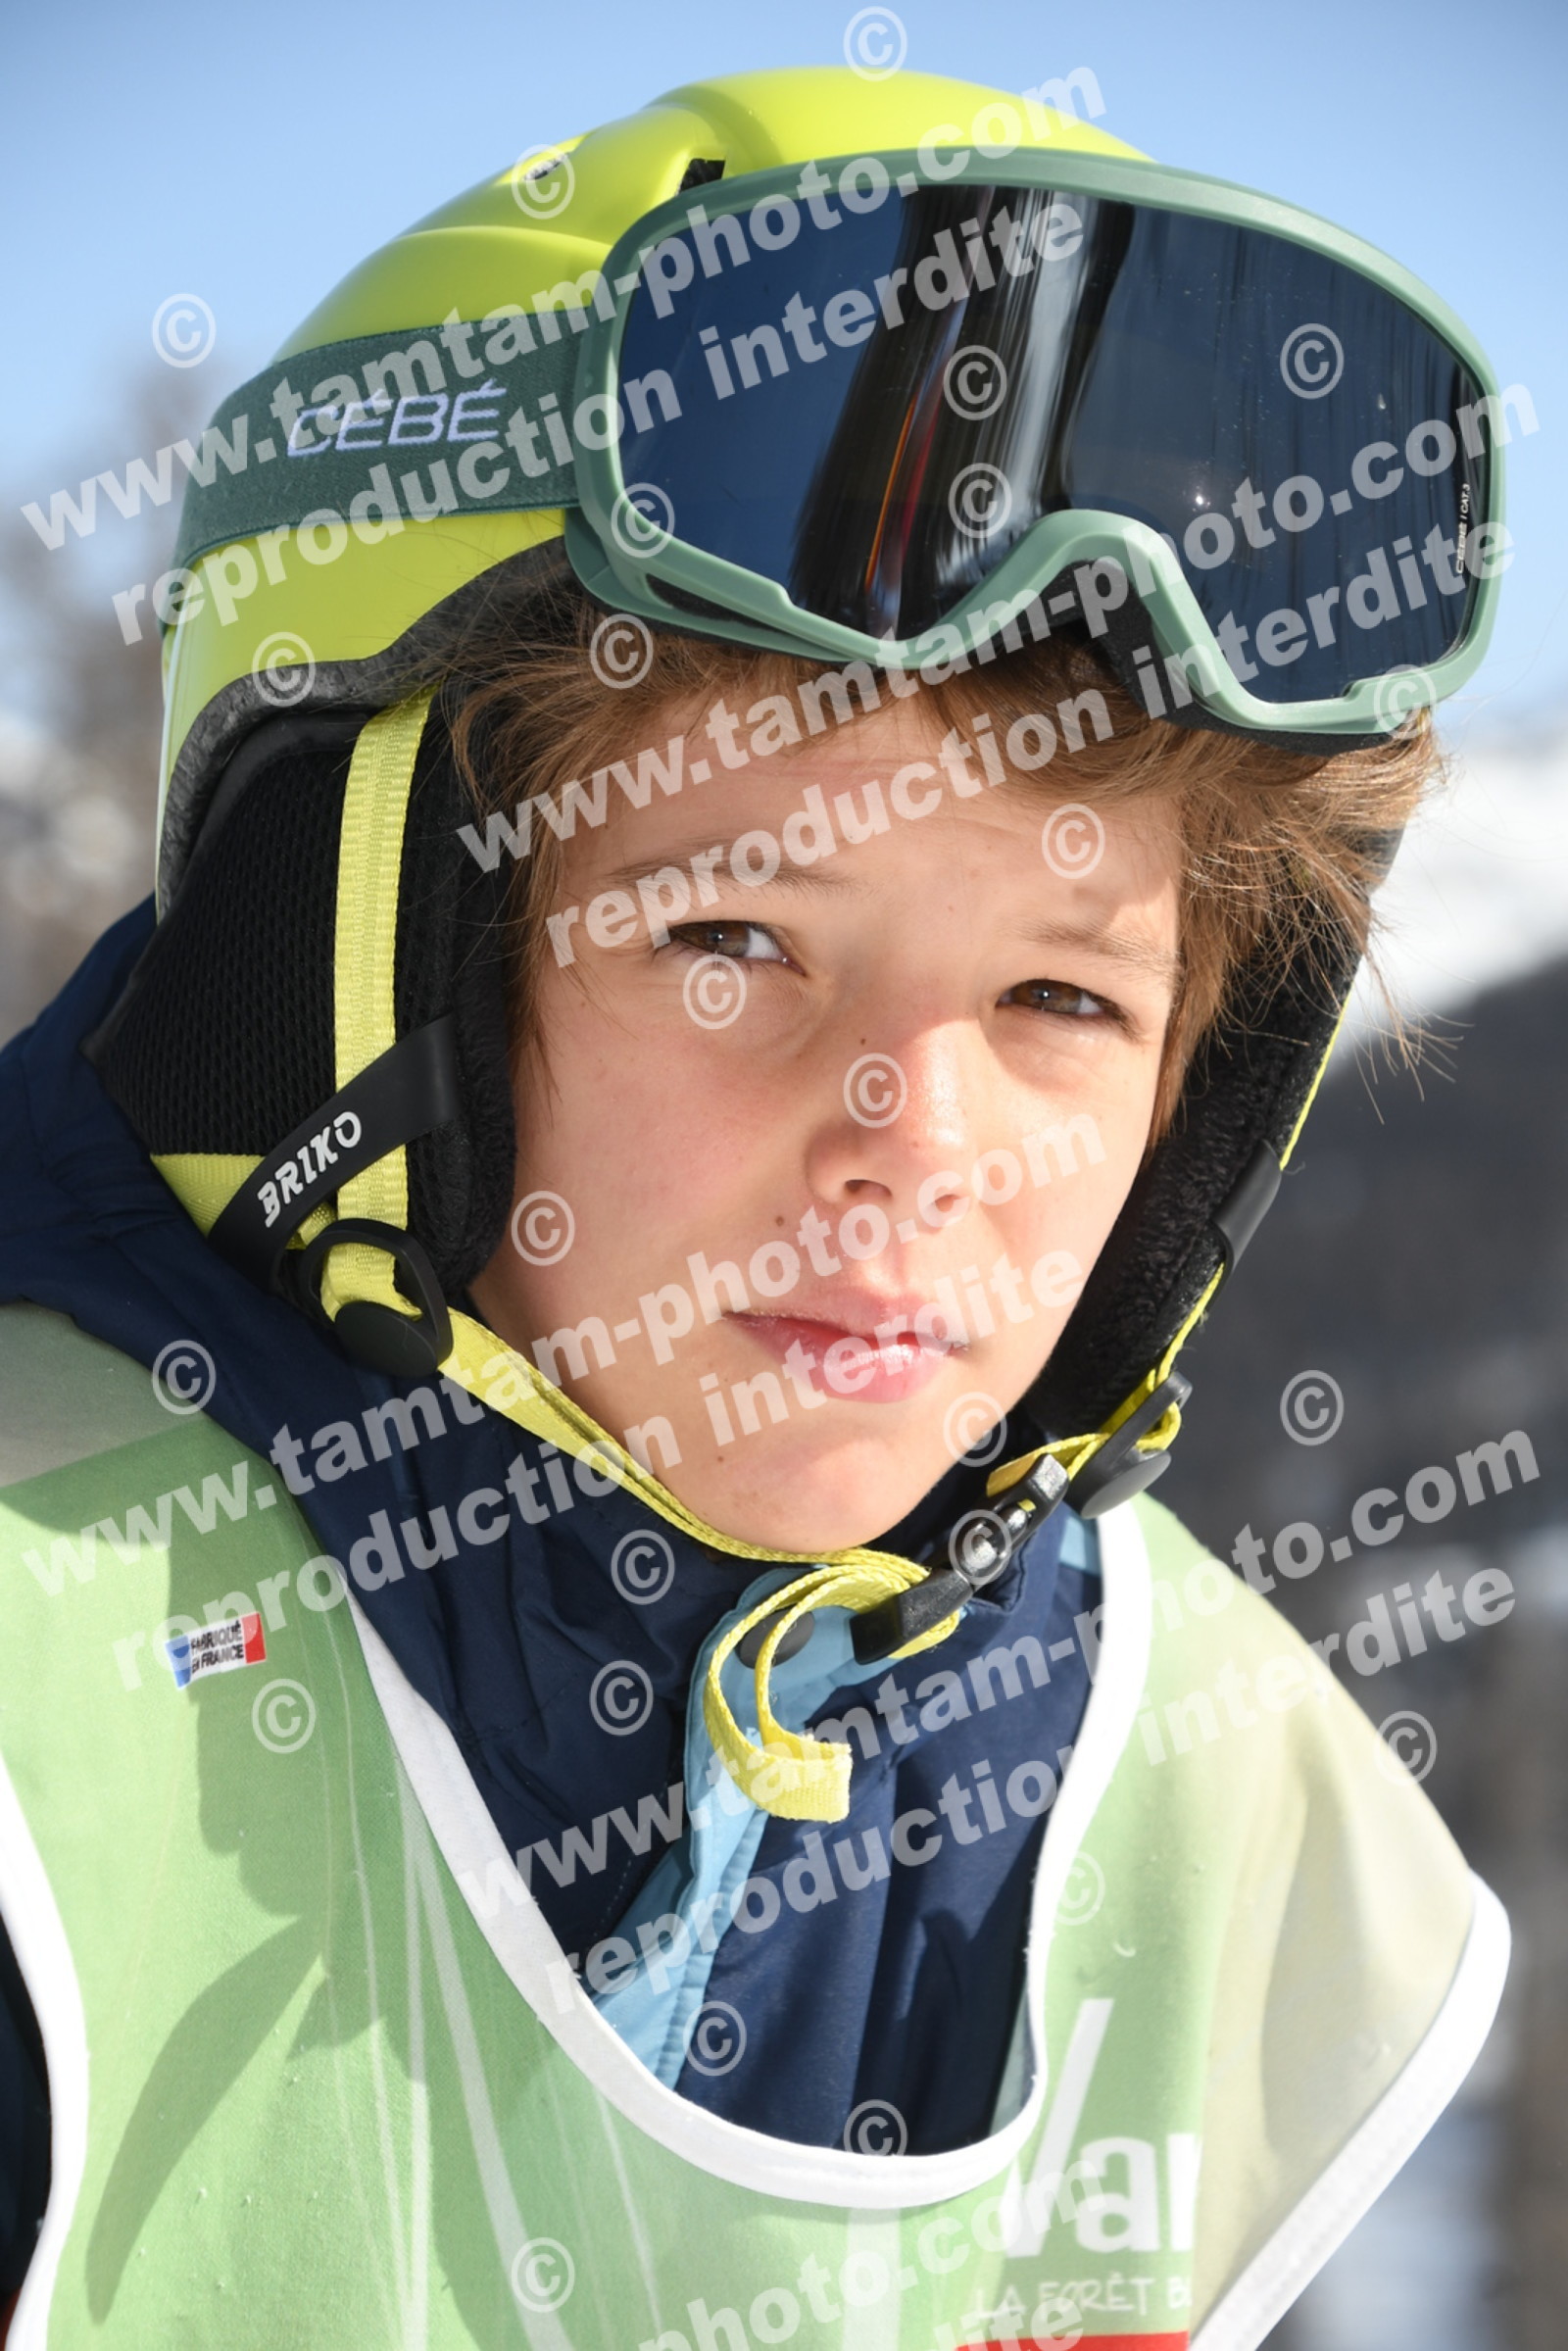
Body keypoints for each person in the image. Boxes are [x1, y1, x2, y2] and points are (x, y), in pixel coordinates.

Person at [0, 62, 1514, 2351]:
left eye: (1058, 998)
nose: (910, 1131)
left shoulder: (1187, 1787)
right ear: (355, 976)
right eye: (732, 942)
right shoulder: (52, 1702)